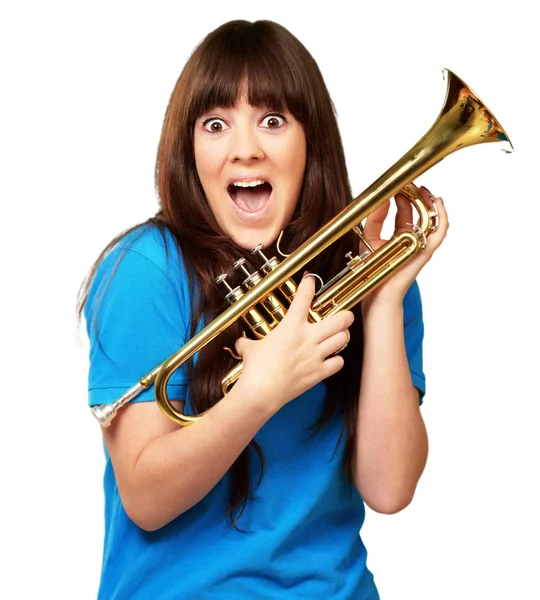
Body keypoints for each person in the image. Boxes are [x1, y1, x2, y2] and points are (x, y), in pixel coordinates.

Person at [78, 19, 448, 600]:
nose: (245, 148)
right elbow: (146, 500)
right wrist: (260, 391)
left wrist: (384, 305)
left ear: (311, 143)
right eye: (216, 124)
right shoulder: (146, 270)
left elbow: (390, 487)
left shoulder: (367, 271)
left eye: (273, 121)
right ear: (189, 148)